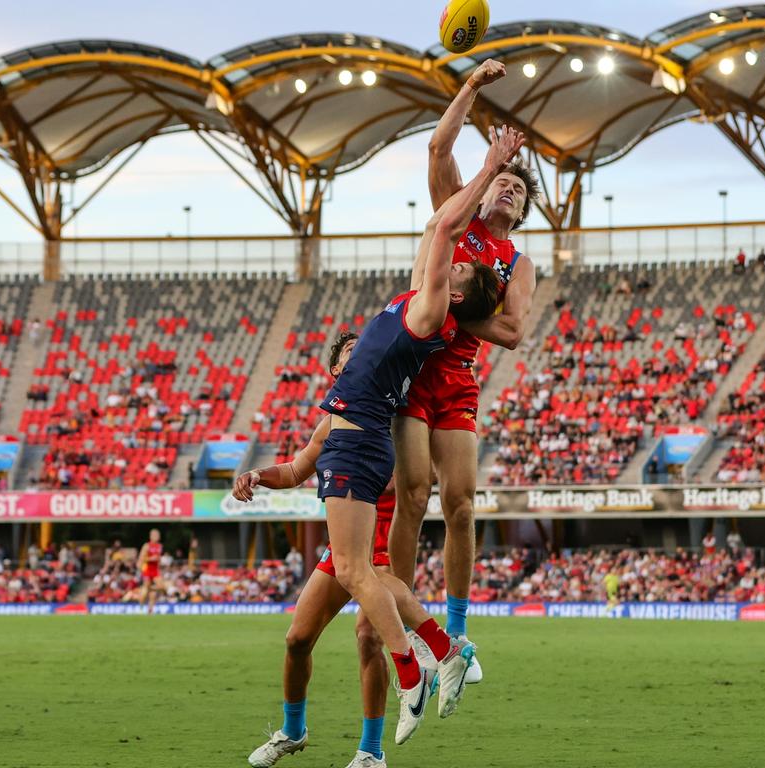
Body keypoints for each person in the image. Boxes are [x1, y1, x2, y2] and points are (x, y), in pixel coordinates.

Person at [303, 126, 518, 749]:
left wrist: (490, 163)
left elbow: (447, 235)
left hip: (388, 429)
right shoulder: (424, 291)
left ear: (452, 288)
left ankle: (430, 654)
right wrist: (471, 90)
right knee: (366, 581)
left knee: (377, 570)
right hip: (387, 430)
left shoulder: (432, 305)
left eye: (455, 267)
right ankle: (420, 673)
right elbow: (437, 172)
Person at [391, 60, 539, 685]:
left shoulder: (519, 261)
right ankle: (396, 613)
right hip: (413, 361)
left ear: (525, 209)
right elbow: (438, 145)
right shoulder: (459, 217)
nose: (508, 189)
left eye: (519, 189)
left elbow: (512, 331)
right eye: (503, 180)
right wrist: (472, 87)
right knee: (414, 495)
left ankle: (456, 633)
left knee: (462, 504)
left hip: (457, 375)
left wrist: (442, 295)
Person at [241, 333, 397, 767]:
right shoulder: (330, 423)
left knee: (368, 639)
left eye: (368, 347)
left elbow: (414, 481)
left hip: (385, 545)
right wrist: (256, 474)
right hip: (343, 550)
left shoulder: (394, 411)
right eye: (352, 351)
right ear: (335, 371)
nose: (364, 353)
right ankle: (293, 731)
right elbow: (294, 469)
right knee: (297, 640)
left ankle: (371, 753)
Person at [137, 529, 163, 612]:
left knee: (161, 586)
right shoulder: (147, 546)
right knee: (145, 590)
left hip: (155, 571)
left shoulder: (160, 546)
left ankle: (150, 609)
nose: (157, 537)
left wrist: (159, 563)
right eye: (155, 535)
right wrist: (150, 559)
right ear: (151, 536)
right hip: (147, 570)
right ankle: (141, 607)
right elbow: (141, 558)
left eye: (158, 535)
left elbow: (158, 559)